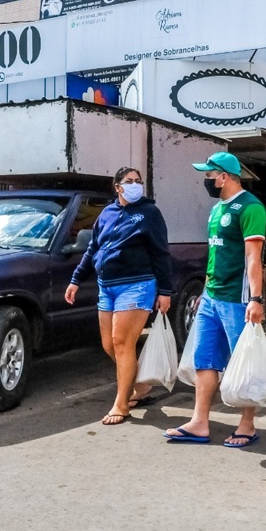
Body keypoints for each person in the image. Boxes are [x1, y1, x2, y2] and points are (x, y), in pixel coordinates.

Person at [164, 152, 266, 447]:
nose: (206, 180)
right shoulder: (215, 210)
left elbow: (253, 257)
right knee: (205, 359)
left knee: (242, 361)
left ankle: (247, 424)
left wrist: (256, 299)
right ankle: (199, 422)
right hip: (212, 298)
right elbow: (215, 256)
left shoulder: (250, 208)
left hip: (237, 299)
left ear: (224, 176)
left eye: (209, 175)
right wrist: (205, 293)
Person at [65, 167, 173, 426]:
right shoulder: (107, 213)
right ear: (117, 187)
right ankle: (139, 385)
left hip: (137, 284)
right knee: (109, 345)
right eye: (129, 181)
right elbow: (93, 248)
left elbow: (160, 252)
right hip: (107, 285)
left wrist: (165, 291)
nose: (135, 185)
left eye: (138, 181)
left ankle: (122, 403)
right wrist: (76, 279)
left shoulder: (149, 213)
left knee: (122, 342)